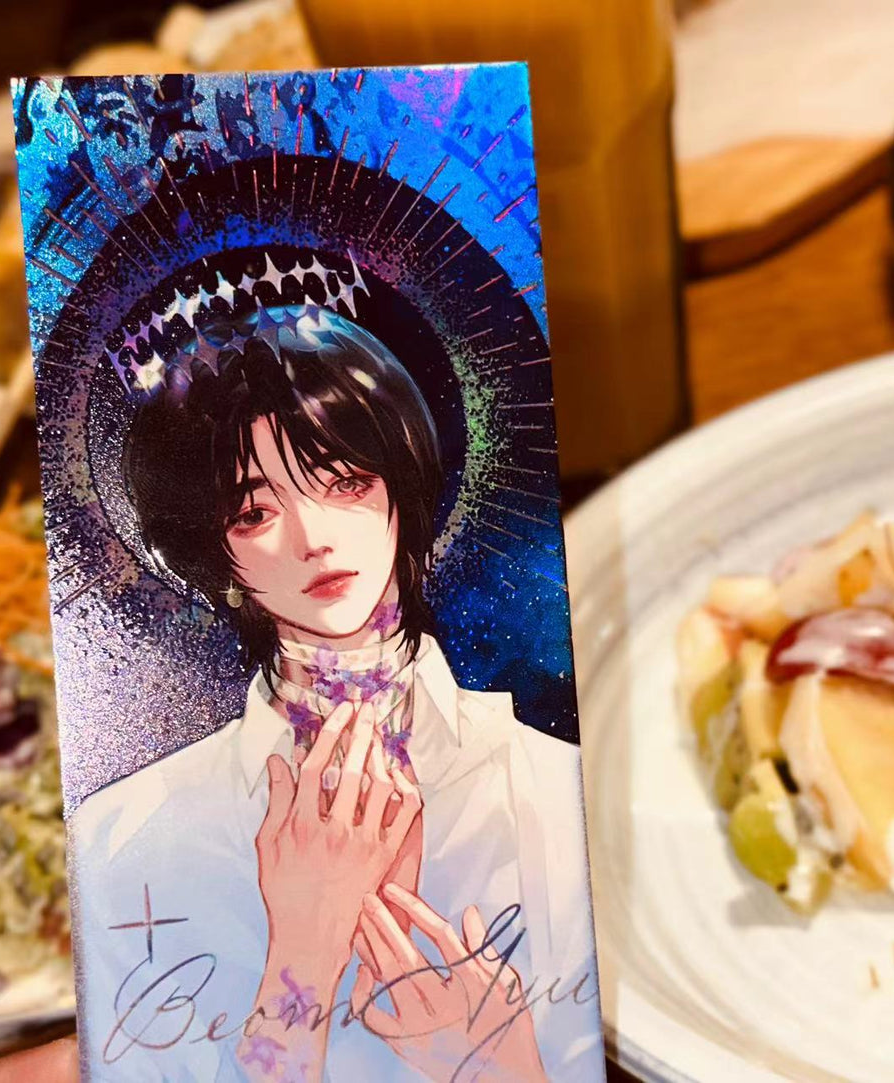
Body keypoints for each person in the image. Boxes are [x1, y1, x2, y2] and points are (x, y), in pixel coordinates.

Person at [68, 305, 602, 1081]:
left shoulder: (557, 791)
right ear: (210, 555)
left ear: (399, 486)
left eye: (345, 480)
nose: (312, 535)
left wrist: (495, 1062)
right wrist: (304, 956)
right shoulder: (121, 840)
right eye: (254, 511)